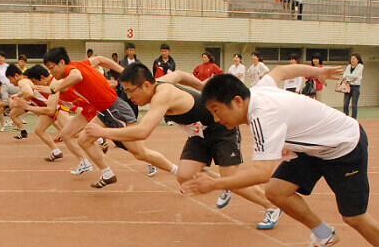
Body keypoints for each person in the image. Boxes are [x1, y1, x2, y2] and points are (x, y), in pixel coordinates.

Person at [183, 65, 379, 247]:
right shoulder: (258, 90)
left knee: (353, 216)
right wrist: (317, 72)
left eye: (216, 110)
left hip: (344, 147)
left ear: (238, 101)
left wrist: (215, 184)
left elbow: (262, 173)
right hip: (311, 148)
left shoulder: (263, 117)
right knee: (276, 192)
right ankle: (324, 234)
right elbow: (281, 71)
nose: (216, 119)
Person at [85, 63, 281, 228]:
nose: (129, 97)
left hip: (220, 128)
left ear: (146, 85)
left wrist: (104, 132)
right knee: (184, 175)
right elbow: (179, 74)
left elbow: (143, 131)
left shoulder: (163, 95)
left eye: (130, 91)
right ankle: (226, 184)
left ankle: (271, 206)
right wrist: (202, 86)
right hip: (198, 135)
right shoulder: (159, 83)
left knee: (232, 178)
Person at [37, 47, 175, 187]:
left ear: (61, 62)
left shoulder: (70, 70)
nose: (51, 72)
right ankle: (107, 174)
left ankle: (177, 171)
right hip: (103, 111)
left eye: (51, 68)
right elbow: (100, 59)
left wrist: (54, 88)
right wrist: (124, 72)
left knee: (141, 153)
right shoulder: (81, 64)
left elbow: (77, 76)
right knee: (83, 140)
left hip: (115, 111)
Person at [340, 53, 363, 119]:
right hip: (348, 86)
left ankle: (354, 118)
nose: (352, 60)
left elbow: (355, 76)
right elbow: (344, 76)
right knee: (345, 103)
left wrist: (348, 77)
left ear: (358, 60)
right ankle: (345, 117)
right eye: (351, 58)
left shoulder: (360, 66)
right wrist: (349, 77)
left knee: (354, 104)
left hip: (356, 87)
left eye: (354, 59)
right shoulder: (349, 66)